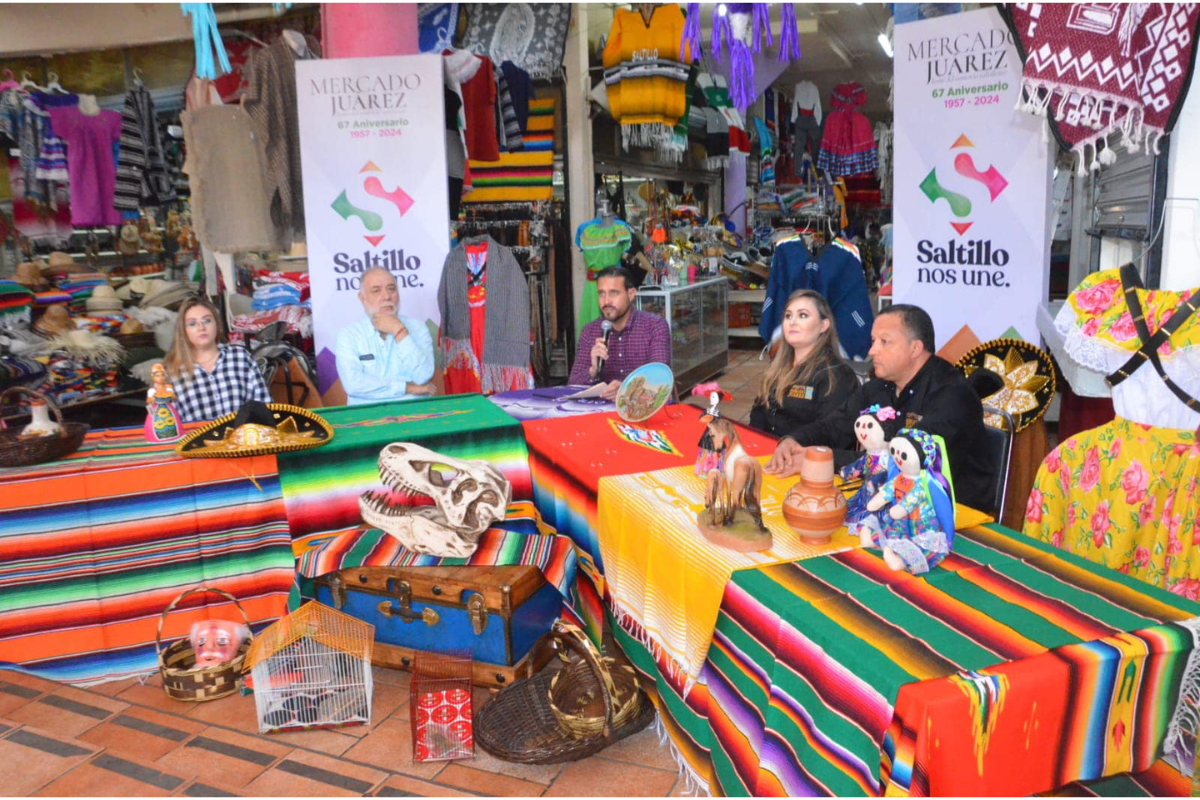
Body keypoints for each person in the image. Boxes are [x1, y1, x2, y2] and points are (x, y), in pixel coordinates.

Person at [765, 304, 996, 511]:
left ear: (915, 349)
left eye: (884, 342)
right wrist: (794, 440)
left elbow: (902, 460)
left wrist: (821, 459)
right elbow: (836, 424)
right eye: (873, 341)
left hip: (952, 514)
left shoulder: (952, 395)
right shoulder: (880, 386)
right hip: (891, 500)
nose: (873, 350)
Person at [749, 289, 859, 438]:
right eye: (788, 316)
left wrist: (789, 447)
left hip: (806, 456)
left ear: (823, 325)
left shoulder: (837, 375)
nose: (792, 322)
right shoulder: (777, 365)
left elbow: (831, 433)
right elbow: (758, 414)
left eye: (803, 315)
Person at [335, 267, 436, 405]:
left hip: (414, 413)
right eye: (376, 291)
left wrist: (399, 331)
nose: (387, 296)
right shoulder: (349, 336)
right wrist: (407, 387)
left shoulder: (418, 328)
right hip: (366, 417)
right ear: (362, 298)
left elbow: (423, 376)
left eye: (391, 289)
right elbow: (353, 385)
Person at [567, 266, 671, 400]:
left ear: (631, 294)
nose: (606, 301)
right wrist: (593, 370)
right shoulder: (589, 331)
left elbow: (661, 381)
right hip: (602, 413)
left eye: (614, 293)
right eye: (601, 293)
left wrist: (627, 391)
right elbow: (572, 386)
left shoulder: (655, 327)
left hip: (645, 411)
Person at [163, 296, 270, 423]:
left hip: (244, 439)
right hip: (197, 441)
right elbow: (169, 424)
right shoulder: (172, 372)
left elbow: (264, 407)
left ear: (216, 324)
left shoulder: (240, 357)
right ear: (183, 331)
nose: (201, 327)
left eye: (207, 320)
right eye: (192, 323)